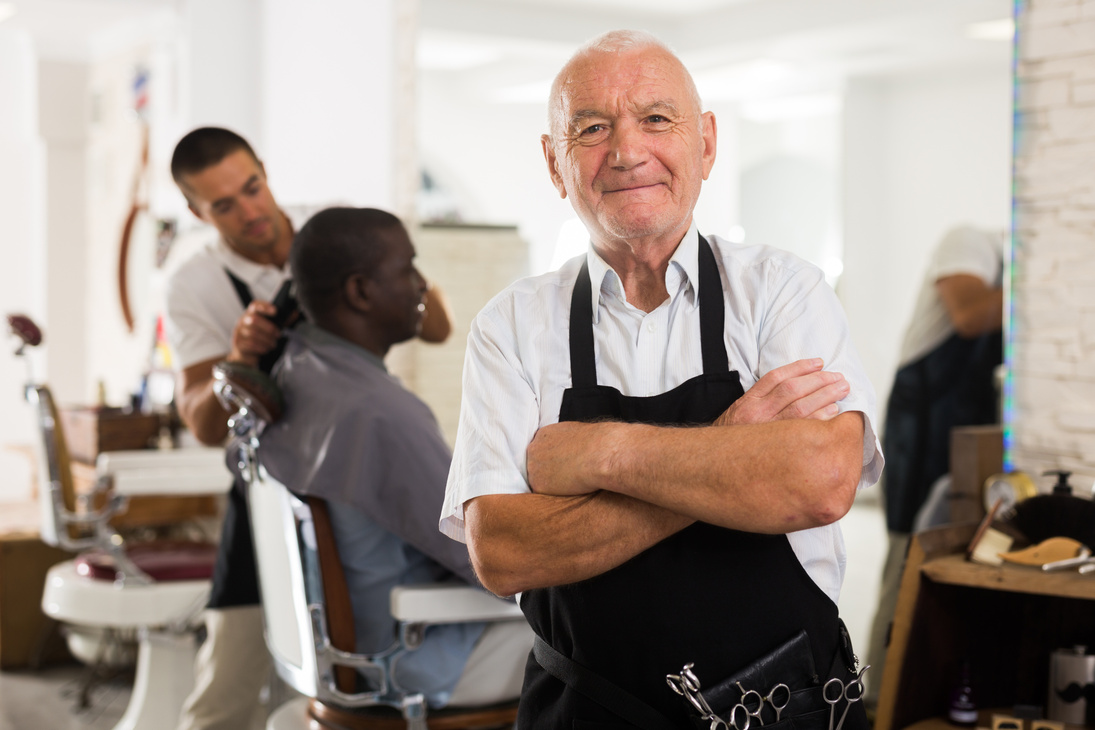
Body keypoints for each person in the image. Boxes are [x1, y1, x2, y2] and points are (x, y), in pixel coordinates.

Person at [440, 29, 884, 729]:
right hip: (584, 711)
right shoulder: (512, 326)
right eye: (590, 128)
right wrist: (732, 449)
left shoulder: (781, 291)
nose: (625, 150)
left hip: (778, 709)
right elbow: (501, 550)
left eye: (655, 118)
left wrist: (597, 456)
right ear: (554, 164)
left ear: (705, 143)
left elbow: (819, 481)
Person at [164, 128, 453, 729]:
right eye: (224, 206)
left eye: (253, 188)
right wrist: (236, 361)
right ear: (196, 212)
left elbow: (436, 326)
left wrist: (401, 284)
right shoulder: (194, 283)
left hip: (338, 460)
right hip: (283, 478)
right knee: (229, 680)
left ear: (264, 171)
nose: (251, 212)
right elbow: (200, 421)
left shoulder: (331, 228)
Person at [256, 207, 533, 708]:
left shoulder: (296, 371)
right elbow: (493, 560)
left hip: (347, 647)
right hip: (411, 656)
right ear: (360, 291)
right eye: (408, 269)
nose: (423, 285)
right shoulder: (379, 414)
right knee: (601, 644)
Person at [864, 225, 1004, 707]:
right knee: (910, 561)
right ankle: (877, 701)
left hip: (971, 430)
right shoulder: (972, 241)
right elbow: (969, 315)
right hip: (922, 430)